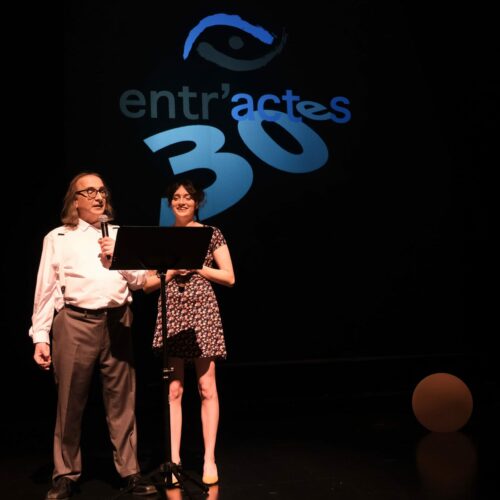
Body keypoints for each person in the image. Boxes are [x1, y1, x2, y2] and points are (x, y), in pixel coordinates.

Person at [30, 172, 156, 499]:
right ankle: (65, 475)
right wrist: (40, 336)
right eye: (89, 191)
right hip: (75, 322)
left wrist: (118, 257)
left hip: (118, 321)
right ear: (75, 201)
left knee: (123, 402)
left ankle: (130, 472)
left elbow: (140, 282)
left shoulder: (118, 234)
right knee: (69, 403)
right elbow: (45, 290)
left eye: (101, 191)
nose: (98, 197)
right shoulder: (58, 237)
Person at [143, 178, 235, 486]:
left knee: (207, 387)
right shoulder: (161, 237)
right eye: (176, 197)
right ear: (169, 203)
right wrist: (171, 272)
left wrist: (197, 267)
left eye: (187, 197)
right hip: (173, 309)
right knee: (174, 389)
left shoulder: (211, 233)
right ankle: (174, 460)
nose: (181, 201)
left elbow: (229, 277)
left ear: (197, 202)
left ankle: (209, 458)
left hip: (202, 311)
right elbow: (147, 285)